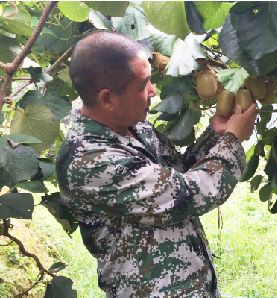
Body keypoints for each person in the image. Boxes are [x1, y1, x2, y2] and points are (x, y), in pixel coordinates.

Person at [56, 31, 257, 298]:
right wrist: (232, 140)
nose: (153, 90)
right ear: (107, 99)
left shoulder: (133, 127)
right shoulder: (87, 160)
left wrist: (216, 134)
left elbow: (178, 172)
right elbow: (187, 194)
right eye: (142, 85)